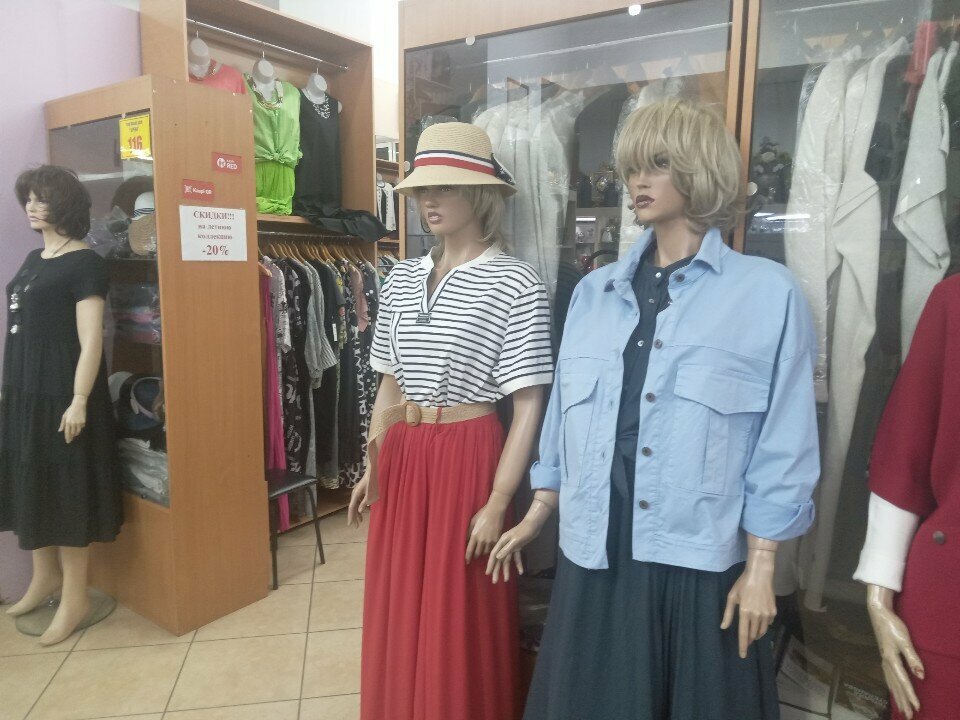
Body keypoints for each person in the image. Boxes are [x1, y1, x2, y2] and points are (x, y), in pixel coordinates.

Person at [490, 98, 821, 719]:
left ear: (699, 168)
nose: (637, 181)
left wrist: (763, 563)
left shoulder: (765, 294)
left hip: (697, 553)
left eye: (658, 164)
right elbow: (564, 415)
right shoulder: (594, 293)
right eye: (631, 167)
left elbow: (785, 439)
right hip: (597, 545)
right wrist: (538, 511)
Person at [347, 122, 554, 720]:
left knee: (456, 603)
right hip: (404, 454)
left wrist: (500, 499)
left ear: (480, 194)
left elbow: (529, 403)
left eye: (445, 187)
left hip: (469, 452)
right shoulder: (402, 277)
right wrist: (373, 462)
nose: (428, 201)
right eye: (421, 190)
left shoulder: (516, 283)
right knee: (397, 595)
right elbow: (389, 380)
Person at [1, 165, 121, 646]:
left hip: (63, 391)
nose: (32, 206)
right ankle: (44, 577)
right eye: (28, 198)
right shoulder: (35, 257)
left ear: (65, 203)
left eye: (42, 198)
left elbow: (92, 340)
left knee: (67, 488)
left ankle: (75, 596)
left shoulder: (85, 263)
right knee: (31, 478)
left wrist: (79, 399)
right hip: (25, 390)